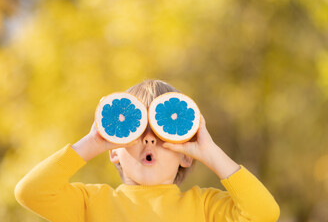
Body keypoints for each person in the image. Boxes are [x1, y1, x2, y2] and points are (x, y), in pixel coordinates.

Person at [15, 79, 280, 222]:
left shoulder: (204, 207)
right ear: (114, 151)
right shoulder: (91, 203)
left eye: (162, 132)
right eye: (138, 131)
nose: (149, 140)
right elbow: (31, 192)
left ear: (186, 155)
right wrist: (92, 142)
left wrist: (209, 150)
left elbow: (264, 214)